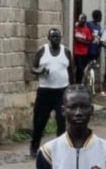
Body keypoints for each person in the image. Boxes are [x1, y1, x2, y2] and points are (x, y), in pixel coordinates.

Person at [30, 28, 74, 157]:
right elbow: (33, 68)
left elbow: (71, 70)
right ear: (49, 38)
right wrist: (40, 71)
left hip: (61, 91)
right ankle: (34, 146)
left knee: (61, 121)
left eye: (58, 37)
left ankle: (60, 148)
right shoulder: (42, 51)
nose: (56, 39)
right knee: (39, 121)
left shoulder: (66, 52)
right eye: (53, 37)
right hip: (45, 91)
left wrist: (72, 88)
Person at [73, 14, 92, 84]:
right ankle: (77, 82)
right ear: (79, 20)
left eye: (84, 19)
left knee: (82, 69)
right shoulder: (75, 28)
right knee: (79, 68)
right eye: (81, 19)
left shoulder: (87, 30)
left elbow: (88, 42)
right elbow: (74, 38)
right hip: (77, 52)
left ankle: (80, 82)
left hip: (84, 52)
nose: (83, 20)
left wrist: (80, 40)